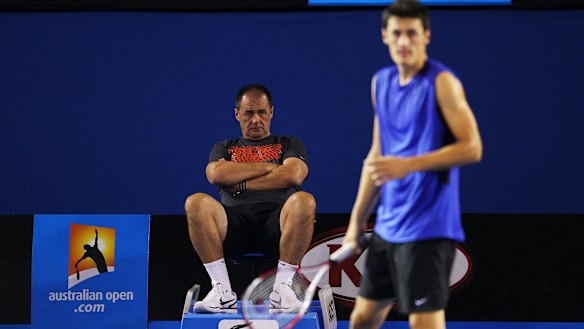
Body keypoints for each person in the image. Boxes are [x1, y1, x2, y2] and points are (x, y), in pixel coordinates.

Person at [342, 1, 483, 329]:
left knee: (424, 324)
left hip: (428, 229)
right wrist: (355, 223)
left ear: (426, 36)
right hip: (388, 228)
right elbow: (376, 158)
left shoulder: (442, 82)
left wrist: (410, 165)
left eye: (412, 33)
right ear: (384, 37)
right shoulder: (380, 82)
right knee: (362, 320)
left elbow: (473, 147)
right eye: (397, 34)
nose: (404, 41)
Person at [184, 83, 316, 313]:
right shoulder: (224, 146)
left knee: (304, 200)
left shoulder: (289, 143)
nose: (256, 119)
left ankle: (282, 290)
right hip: (233, 226)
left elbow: (294, 174)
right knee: (195, 202)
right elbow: (215, 174)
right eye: (248, 113)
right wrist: (273, 167)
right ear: (237, 114)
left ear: (271, 112)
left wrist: (239, 180)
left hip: (277, 225)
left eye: (262, 112)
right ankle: (222, 292)